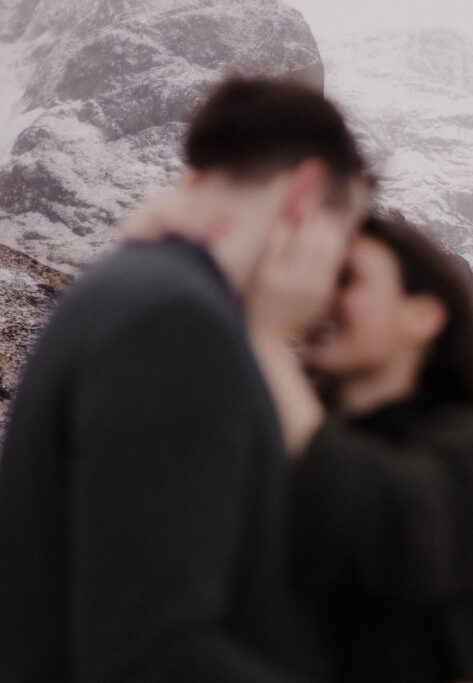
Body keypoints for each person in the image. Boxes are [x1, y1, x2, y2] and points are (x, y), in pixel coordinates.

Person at [0, 76, 371, 681]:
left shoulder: (135, 289)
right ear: (303, 196)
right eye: (344, 236)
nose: (332, 285)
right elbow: (151, 651)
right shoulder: (179, 324)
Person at [246, 214, 473, 682]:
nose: (321, 298)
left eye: (347, 279)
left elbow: (395, 526)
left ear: (423, 316)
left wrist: (262, 337)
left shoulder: (469, 443)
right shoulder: (301, 423)